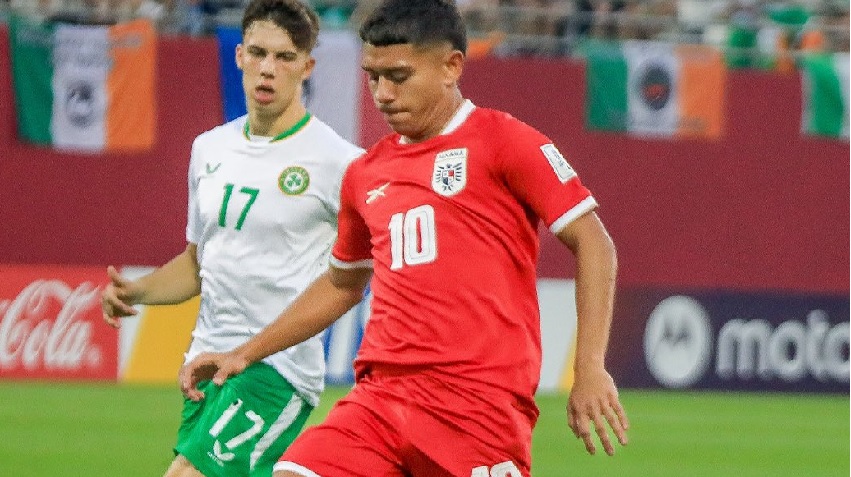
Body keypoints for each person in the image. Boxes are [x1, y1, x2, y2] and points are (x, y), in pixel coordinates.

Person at [180, 0, 629, 476]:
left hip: (476, 408)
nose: (383, 94)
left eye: (398, 76)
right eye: (373, 77)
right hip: (379, 400)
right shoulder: (366, 173)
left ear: (451, 66)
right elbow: (341, 284)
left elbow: (594, 243)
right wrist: (245, 353)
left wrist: (589, 367)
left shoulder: (505, 141)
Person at [100, 1, 363, 476]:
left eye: (284, 57)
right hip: (206, 363)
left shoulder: (339, 162)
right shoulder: (209, 149)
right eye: (258, 53)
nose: (268, 68)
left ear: (307, 67)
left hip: (276, 370)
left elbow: (359, 271)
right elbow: (197, 264)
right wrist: (136, 292)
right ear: (239, 56)